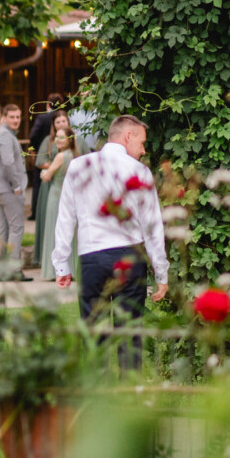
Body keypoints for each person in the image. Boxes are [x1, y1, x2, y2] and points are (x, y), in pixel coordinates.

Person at [52, 115, 169, 370]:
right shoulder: (140, 172)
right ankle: (129, 391)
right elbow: (152, 227)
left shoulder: (78, 166)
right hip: (130, 258)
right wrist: (161, 272)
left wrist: (61, 264)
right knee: (130, 335)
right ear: (128, 136)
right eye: (142, 142)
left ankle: (98, 392)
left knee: (94, 336)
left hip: (92, 259)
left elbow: (66, 217)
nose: (143, 150)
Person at [0, 104, 29, 280]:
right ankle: (13, 270)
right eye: (12, 117)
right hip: (8, 189)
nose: (16, 120)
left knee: (3, 230)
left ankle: (0, 270)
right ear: (4, 118)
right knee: (17, 228)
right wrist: (16, 186)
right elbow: (8, 162)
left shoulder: (4, 134)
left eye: (18, 117)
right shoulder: (5, 135)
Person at [38, 127, 78, 280]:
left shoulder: (60, 156)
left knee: (55, 230)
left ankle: (54, 270)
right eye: (57, 137)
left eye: (62, 137)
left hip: (56, 195)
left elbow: (48, 176)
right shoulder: (74, 155)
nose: (58, 140)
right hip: (70, 196)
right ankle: (72, 268)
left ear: (69, 139)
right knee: (69, 231)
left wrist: (43, 173)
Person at [33, 110, 72, 260]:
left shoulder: (75, 141)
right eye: (58, 122)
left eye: (63, 121)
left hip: (65, 183)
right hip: (51, 185)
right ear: (53, 125)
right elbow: (39, 162)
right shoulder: (48, 141)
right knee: (51, 223)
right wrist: (53, 167)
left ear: (68, 121)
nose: (61, 124)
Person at [28, 92, 64, 218]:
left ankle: (36, 212)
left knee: (38, 184)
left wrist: (34, 150)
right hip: (58, 155)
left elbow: (33, 135)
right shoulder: (64, 118)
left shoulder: (42, 118)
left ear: (48, 104)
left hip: (43, 154)